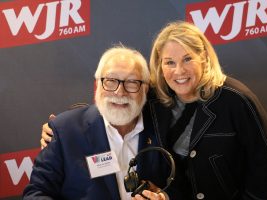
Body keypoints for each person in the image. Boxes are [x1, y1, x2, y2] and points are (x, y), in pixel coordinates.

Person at [40, 21, 267, 200]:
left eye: (187, 59)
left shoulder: (236, 100)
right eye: (169, 62)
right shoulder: (155, 98)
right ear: (160, 65)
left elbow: (263, 165)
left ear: (204, 57)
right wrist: (63, 125)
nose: (179, 71)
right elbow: (116, 100)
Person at [23, 46, 170, 200]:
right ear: (97, 85)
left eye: (131, 82)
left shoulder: (160, 127)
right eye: (111, 81)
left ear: (145, 88)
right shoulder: (65, 130)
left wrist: (164, 197)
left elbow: (182, 185)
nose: (120, 92)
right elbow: (36, 194)